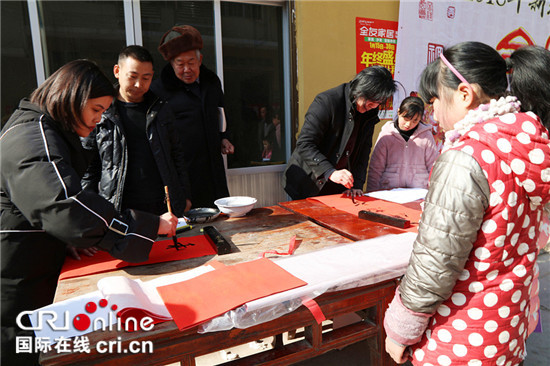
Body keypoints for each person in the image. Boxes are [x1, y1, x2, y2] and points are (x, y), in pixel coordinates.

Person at [0, 60, 178, 365]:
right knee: (17, 351)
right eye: (96, 109)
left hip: (30, 266)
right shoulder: (33, 138)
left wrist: (66, 238)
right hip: (14, 276)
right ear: (72, 98)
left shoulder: (43, 130)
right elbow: (67, 206)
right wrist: (148, 227)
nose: (99, 119)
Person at [383, 42, 550, 366]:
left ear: (464, 94)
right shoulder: (523, 144)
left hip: (458, 335)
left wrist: (400, 330)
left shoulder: (466, 156)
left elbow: (435, 261)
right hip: (506, 328)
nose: (433, 113)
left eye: (435, 100)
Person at [81, 45, 191, 216]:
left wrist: (184, 195)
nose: (139, 84)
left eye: (146, 78)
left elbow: (176, 155)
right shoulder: (102, 111)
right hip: (117, 205)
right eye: (133, 77)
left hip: (161, 204)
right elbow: (88, 165)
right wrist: (88, 206)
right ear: (117, 71)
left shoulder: (160, 109)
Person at [283, 66, 397, 200]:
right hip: (308, 181)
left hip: (337, 187)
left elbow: (363, 151)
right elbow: (305, 144)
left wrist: (357, 184)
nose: (374, 107)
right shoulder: (327, 102)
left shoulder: (370, 112)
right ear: (361, 89)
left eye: (378, 103)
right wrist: (330, 172)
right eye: (371, 102)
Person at [151, 25, 234, 208]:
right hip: (184, 173)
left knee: (220, 218)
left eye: (191, 62)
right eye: (180, 64)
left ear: (200, 59)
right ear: (171, 63)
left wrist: (224, 137)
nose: (187, 69)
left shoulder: (212, 82)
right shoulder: (159, 91)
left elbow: (221, 112)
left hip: (213, 169)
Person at [366, 96, 438, 192]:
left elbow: (433, 168)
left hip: (419, 192)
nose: (408, 124)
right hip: (389, 191)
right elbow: (376, 168)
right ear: (399, 112)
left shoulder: (426, 136)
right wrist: (372, 194)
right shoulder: (387, 134)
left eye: (415, 121)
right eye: (406, 118)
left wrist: (433, 194)